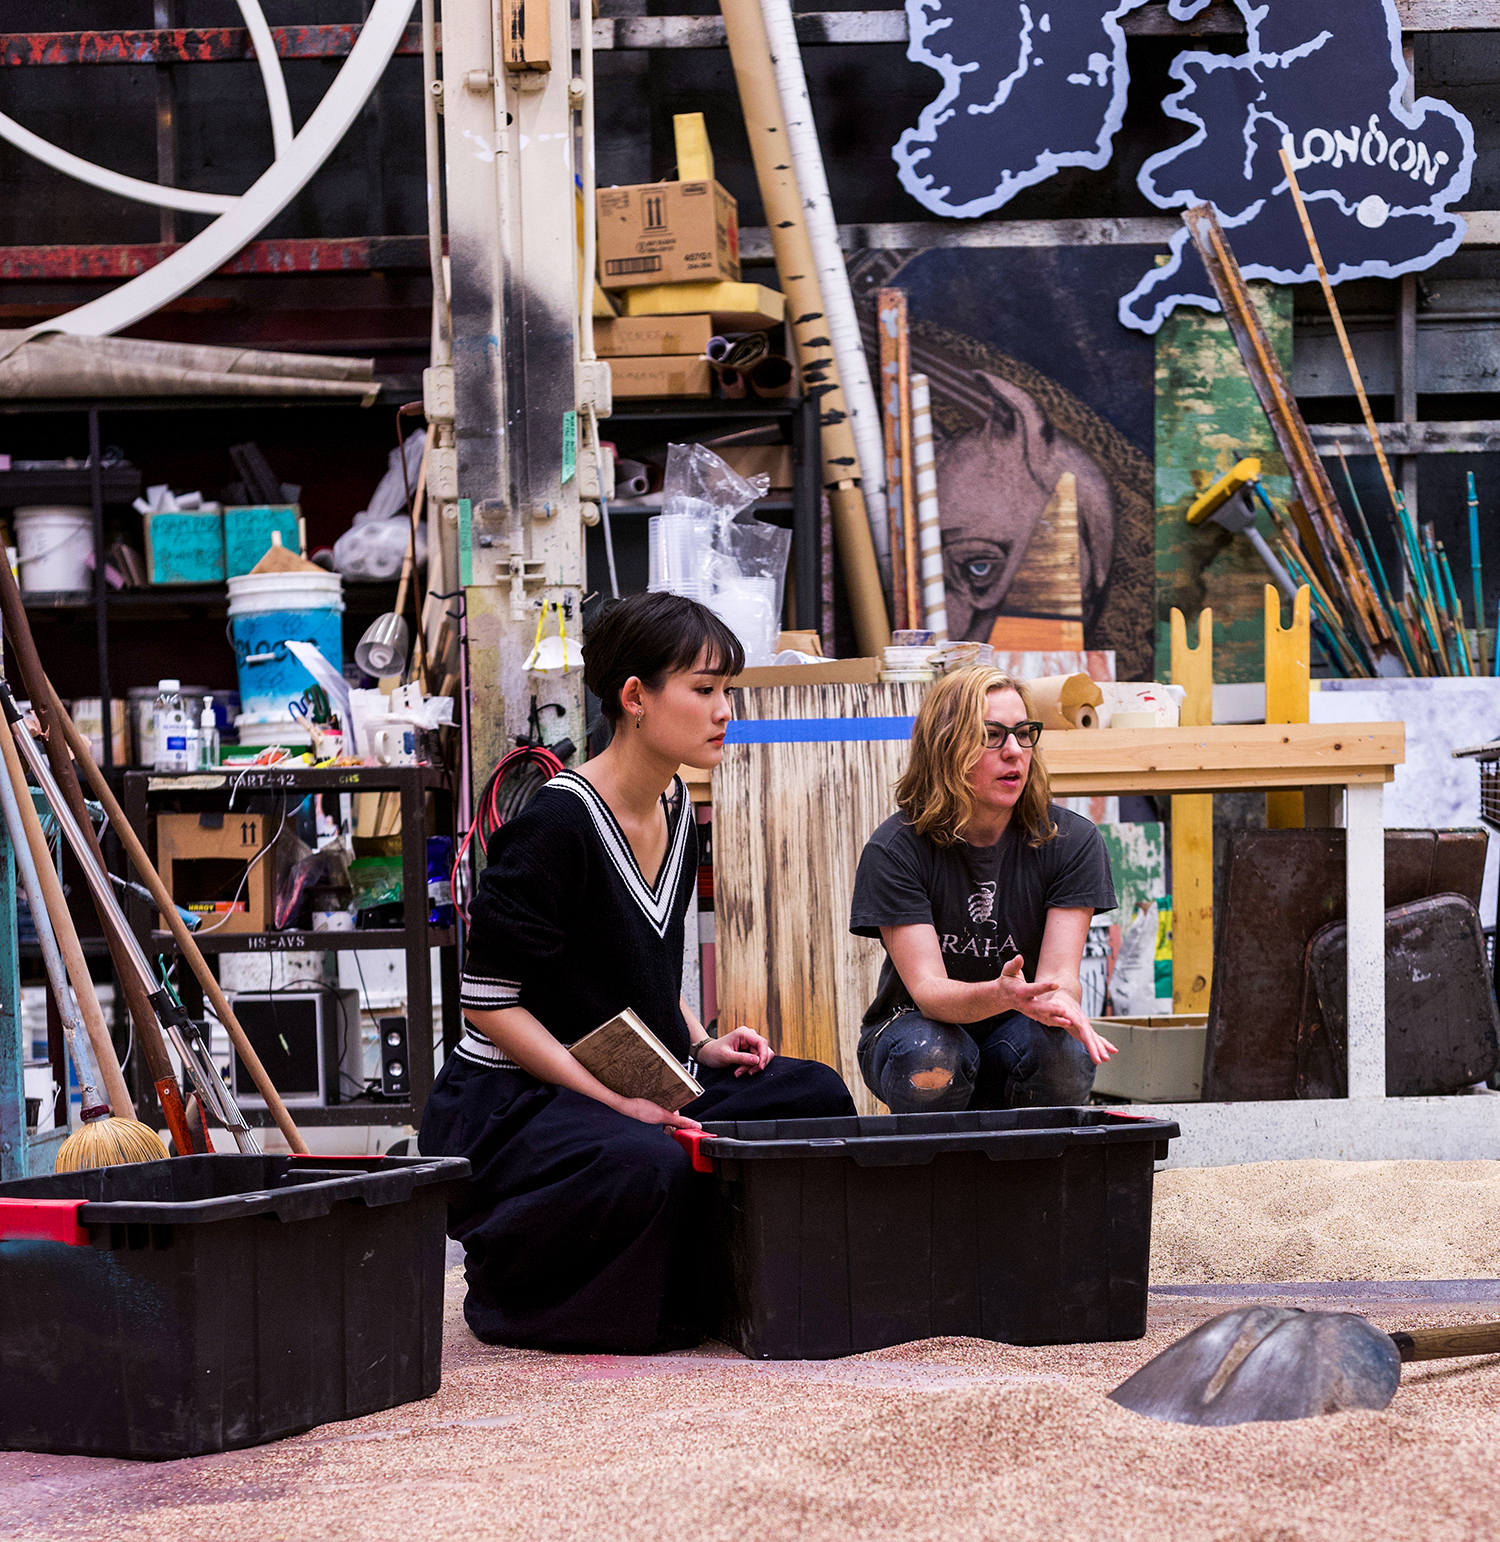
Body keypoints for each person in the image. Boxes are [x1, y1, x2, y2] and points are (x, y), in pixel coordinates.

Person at [420, 590, 854, 1354]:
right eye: (704, 689)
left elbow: (648, 959)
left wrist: (702, 1041)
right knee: (648, 1158)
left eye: (728, 691)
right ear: (635, 698)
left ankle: (738, 1281)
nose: (724, 710)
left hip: (635, 1072)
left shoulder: (679, 805)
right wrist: (615, 1101)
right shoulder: (554, 825)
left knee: (814, 1095)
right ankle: (518, 1295)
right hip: (511, 1101)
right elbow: (487, 1005)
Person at [849, 665, 1118, 1114]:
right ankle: (937, 1176)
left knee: (1064, 1054)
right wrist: (1000, 993)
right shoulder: (895, 849)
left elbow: (1060, 975)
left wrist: (1059, 1001)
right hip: (916, 1027)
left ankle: (1029, 1178)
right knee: (932, 1056)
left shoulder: (1071, 842)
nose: (1014, 752)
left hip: (1020, 1030)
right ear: (946, 746)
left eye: (1023, 733)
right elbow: (930, 991)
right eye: (991, 735)